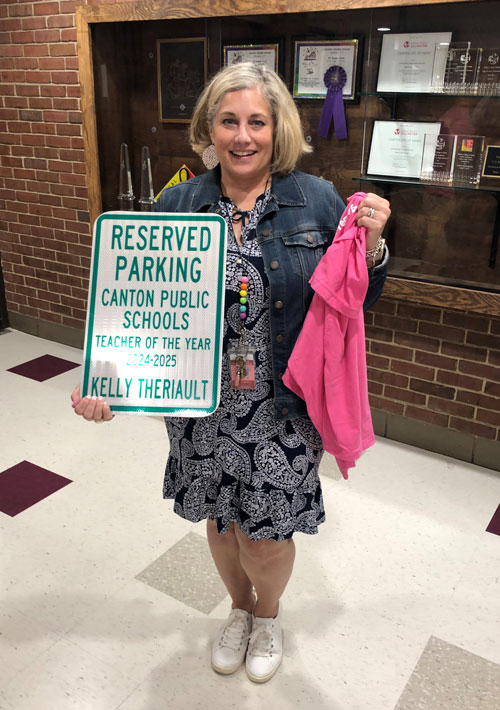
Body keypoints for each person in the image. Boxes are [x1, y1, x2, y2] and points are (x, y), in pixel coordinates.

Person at [72, 62, 390, 684]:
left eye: (257, 122)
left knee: (266, 536)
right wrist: (105, 375)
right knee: (222, 522)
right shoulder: (177, 201)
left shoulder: (317, 200)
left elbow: (358, 294)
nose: (242, 136)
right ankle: (238, 610)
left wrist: (373, 246)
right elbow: (136, 303)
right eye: (228, 121)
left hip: (282, 405)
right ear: (209, 129)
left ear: (278, 129)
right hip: (200, 402)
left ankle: (267, 615)